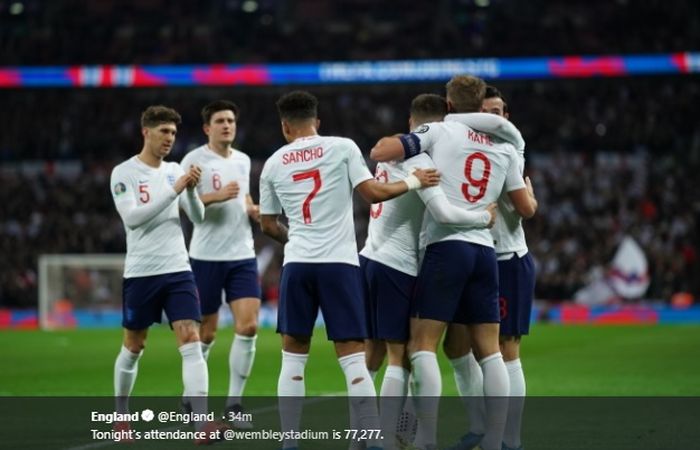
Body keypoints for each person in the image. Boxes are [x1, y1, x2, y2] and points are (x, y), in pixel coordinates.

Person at [259, 90, 440, 450]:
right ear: (317, 122)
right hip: (339, 266)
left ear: (285, 126)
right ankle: (371, 440)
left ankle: (289, 444)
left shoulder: (274, 162)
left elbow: (267, 224)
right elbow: (373, 193)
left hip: (297, 265)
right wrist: (415, 181)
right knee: (353, 357)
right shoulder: (341, 147)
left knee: (293, 357)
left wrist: (295, 238)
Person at [371, 75, 537, 450]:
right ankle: (497, 440)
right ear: (482, 107)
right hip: (486, 253)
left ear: (448, 104)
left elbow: (382, 151)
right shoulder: (505, 147)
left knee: (423, 344)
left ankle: (426, 437)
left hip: (446, 247)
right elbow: (522, 206)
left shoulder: (439, 131)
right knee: (491, 350)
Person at [359, 93, 497, 450]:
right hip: (398, 264)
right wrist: (485, 217)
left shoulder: (396, 152)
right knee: (400, 355)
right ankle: (386, 440)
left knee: (369, 355)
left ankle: (364, 438)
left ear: (412, 123)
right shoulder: (421, 160)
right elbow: (443, 213)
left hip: (370, 257)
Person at [109, 105, 227, 444]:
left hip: (177, 268)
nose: (169, 139)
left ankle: (202, 424)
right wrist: (175, 189)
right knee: (134, 345)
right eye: (164, 132)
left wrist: (189, 189)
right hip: (142, 271)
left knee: (191, 339)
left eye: (173, 134)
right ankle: (120, 416)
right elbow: (132, 218)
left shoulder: (176, 170)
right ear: (146, 132)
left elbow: (199, 217)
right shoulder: (124, 173)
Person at [442, 86, 536, 450]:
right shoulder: (466, 147)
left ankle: (510, 440)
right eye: (486, 111)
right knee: (455, 346)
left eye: (498, 111)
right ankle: (480, 426)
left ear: (507, 117)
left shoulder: (508, 151)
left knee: (504, 351)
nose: (493, 117)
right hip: (473, 257)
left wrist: (531, 200)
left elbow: (525, 209)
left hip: (506, 259)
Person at [180, 100, 260, 427]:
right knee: (207, 333)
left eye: (231, 120)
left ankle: (234, 404)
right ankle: (192, 395)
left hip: (242, 254)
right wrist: (215, 196)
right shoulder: (193, 161)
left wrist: (252, 209)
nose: (227, 125)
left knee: (249, 327)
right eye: (220, 121)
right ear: (207, 128)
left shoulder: (242, 160)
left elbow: (245, 198)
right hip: (206, 257)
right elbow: (185, 205)